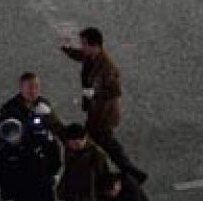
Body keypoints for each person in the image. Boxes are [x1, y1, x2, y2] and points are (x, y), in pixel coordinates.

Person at [60, 27, 146, 183]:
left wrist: (95, 93)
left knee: (100, 144)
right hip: (95, 111)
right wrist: (67, 48)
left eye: (84, 44)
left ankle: (126, 173)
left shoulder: (107, 67)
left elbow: (115, 90)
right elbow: (80, 56)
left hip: (103, 114)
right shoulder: (91, 56)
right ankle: (127, 172)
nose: (82, 47)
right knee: (101, 144)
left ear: (95, 45)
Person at [0, 71, 65, 138]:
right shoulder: (10, 109)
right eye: (30, 87)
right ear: (21, 88)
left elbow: (56, 126)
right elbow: (6, 135)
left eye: (36, 87)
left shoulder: (44, 104)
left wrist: (67, 137)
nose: (33, 91)